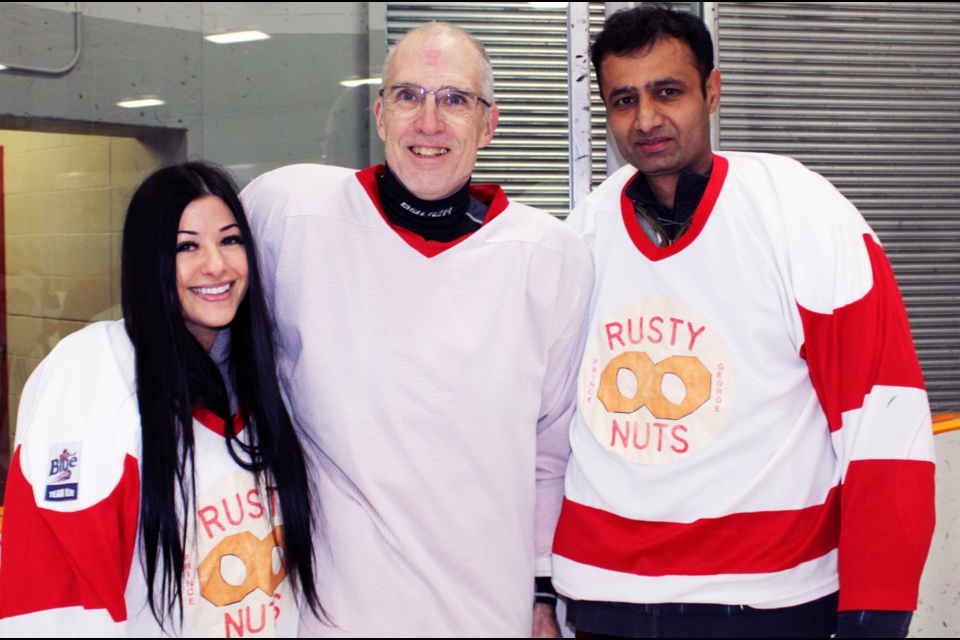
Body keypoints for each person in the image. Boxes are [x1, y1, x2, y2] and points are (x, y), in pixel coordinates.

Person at [551, 7, 935, 638]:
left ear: (713, 89)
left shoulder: (801, 212)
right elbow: (547, 430)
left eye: (667, 91)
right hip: (600, 598)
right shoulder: (582, 235)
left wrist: (877, 611)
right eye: (624, 99)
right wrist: (543, 585)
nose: (645, 119)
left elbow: (883, 417)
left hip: (770, 603)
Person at [239, 22, 593, 637]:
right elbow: (205, 330)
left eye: (455, 100)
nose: (429, 121)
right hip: (331, 619)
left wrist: (543, 592)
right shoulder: (289, 214)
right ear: (380, 116)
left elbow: (552, 449)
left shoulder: (551, 258)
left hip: (489, 614)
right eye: (408, 96)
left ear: (489, 124)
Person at [0, 163, 319, 637]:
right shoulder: (98, 368)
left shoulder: (267, 381)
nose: (216, 264)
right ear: (149, 259)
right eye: (186, 246)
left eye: (230, 240)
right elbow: (55, 586)